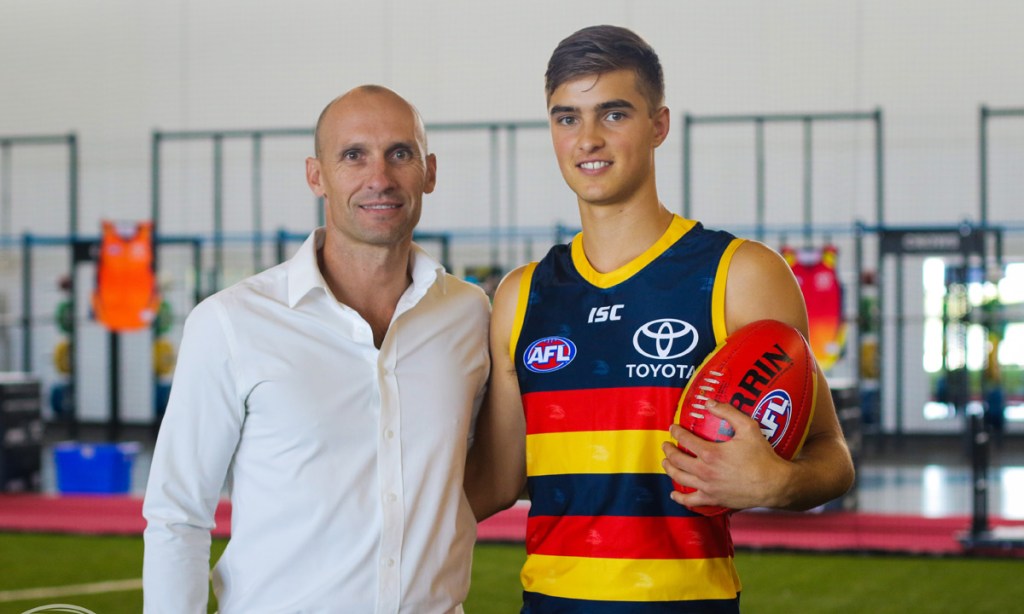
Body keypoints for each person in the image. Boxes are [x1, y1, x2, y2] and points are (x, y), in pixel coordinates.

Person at [464, 25, 855, 612]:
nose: (587, 139)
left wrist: (779, 483)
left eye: (613, 114)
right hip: (548, 602)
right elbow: (495, 480)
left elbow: (832, 458)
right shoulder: (521, 297)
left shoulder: (740, 275)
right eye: (566, 118)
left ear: (659, 125)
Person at [143, 85, 490, 613]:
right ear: (316, 176)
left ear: (430, 172)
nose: (380, 177)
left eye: (401, 153)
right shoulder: (231, 323)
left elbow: (504, 465)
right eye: (354, 155)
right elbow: (178, 514)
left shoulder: (469, 315)